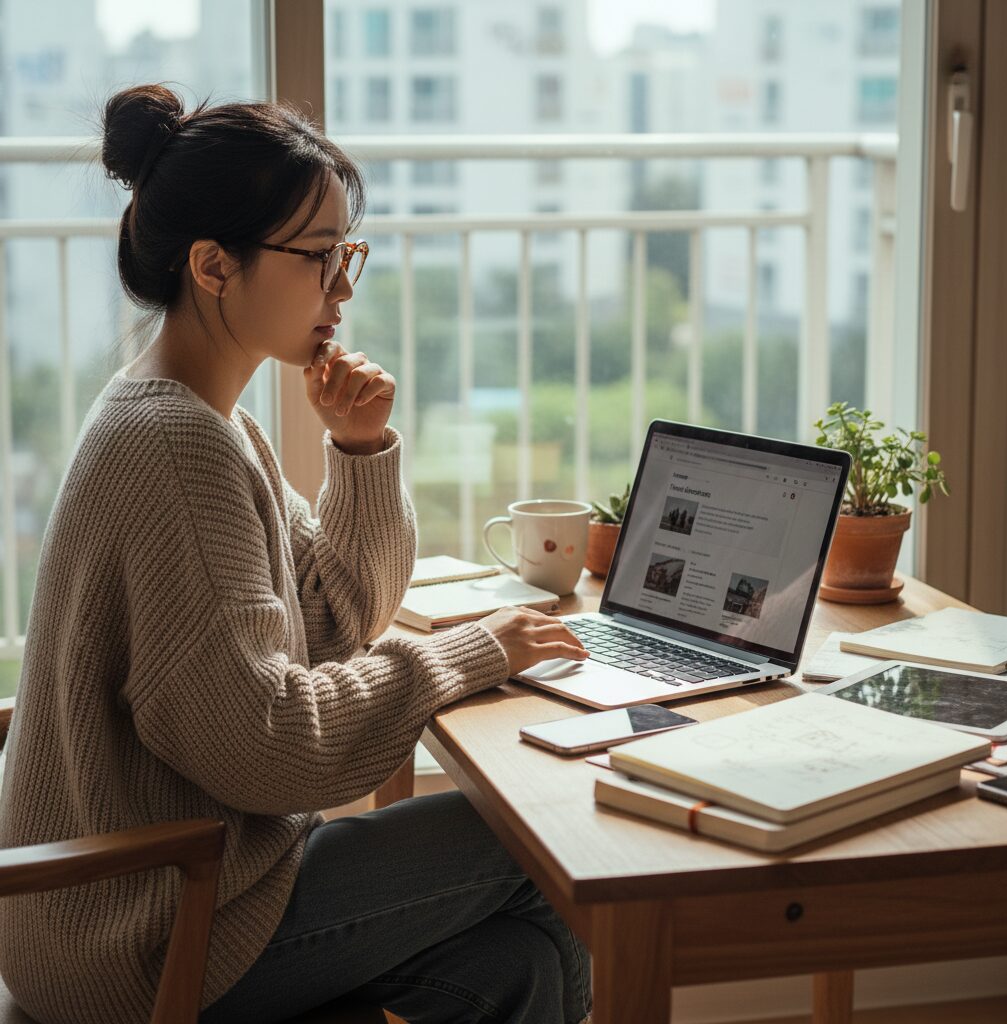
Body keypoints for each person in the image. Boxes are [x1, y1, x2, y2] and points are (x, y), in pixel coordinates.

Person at [0, 84, 592, 1024]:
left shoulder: (204, 421)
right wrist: (472, 652)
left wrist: (359, 449)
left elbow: (334, 620)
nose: (342, 288)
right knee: (545, 832)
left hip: (178, 888)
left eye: (346, 253)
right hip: (147, 930)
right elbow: (272, 749)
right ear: (213, 266)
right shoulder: (173, 445)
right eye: (319, 257)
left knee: (520, 965)